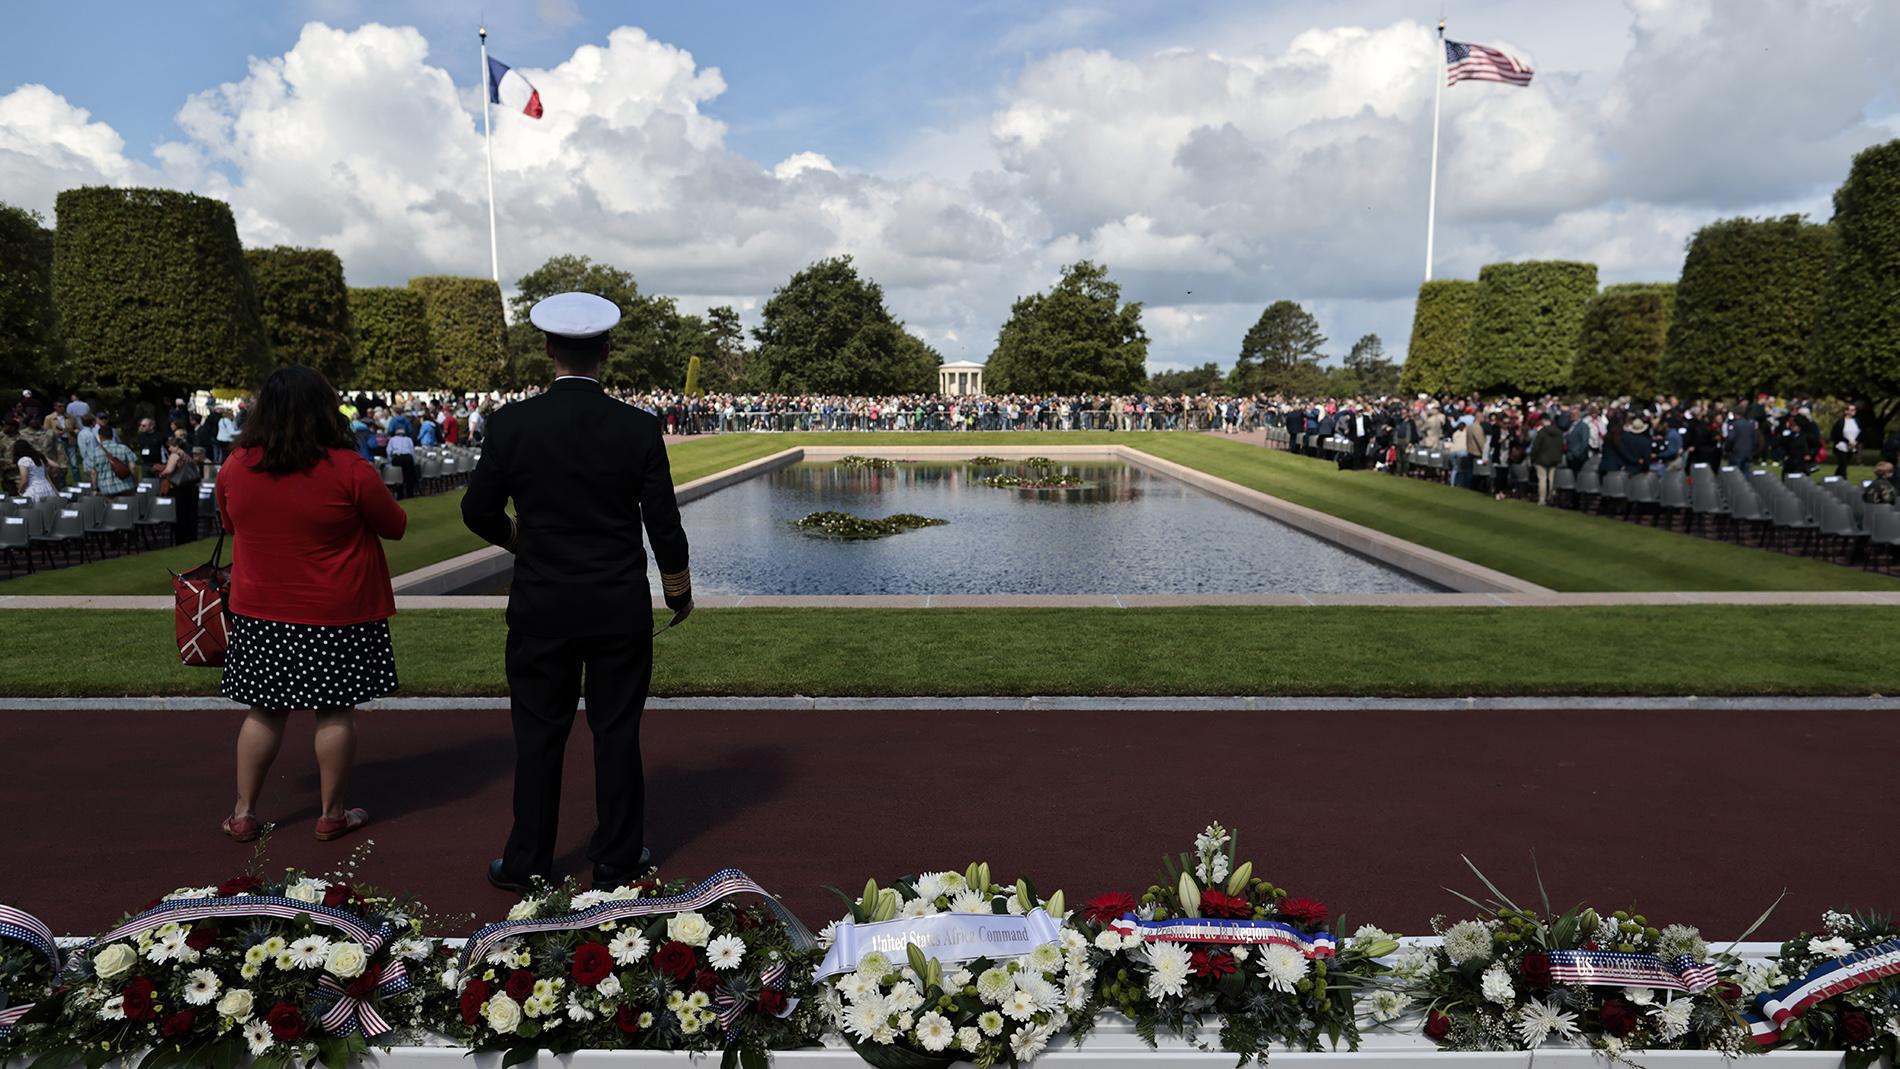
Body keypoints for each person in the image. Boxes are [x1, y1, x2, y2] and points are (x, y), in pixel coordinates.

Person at [463, 291, 692, 894]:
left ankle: (527, 860)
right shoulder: (638, 426)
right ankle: (617, 858)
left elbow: (477, 509)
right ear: (606, 352)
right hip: (616, 603)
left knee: (538, 737)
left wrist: (522, 542)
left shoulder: (513, 422)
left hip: (542, 602)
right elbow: (663, 521)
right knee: (616, 733)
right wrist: (677, 589)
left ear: (547, 349)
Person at [214, 366, 407, 844]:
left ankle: (243, 812)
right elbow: (394, 524)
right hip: (336, 610)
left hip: (261, 610)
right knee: (336, 712)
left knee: (264, 711)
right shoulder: (348, 467)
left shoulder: (237, 464)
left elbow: (230, 522)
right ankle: (332, 812)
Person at [154, 436, 202, 543]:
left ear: (176, 446)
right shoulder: (187, 455)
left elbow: (169, 470)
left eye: (170, 446)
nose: (169, 449)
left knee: (181, 515)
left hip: (179, 488)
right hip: (191, 488)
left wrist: (162, 473)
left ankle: (181, 539)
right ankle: (192, 537)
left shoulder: (175, 455)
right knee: (191, 514)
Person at [83, 423, 140, 497]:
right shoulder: (124, 448)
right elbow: (133, 467)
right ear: (112, 436)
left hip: (106, 489)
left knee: (111, 507)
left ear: (100, 437)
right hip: (126, 486)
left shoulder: (94, 453)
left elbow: (93, 472)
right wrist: (135, 482)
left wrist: (95, 488)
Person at [1529, 415, 1564, 505]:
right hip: (1555, 458)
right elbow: (1561, 446)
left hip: (1542, 458)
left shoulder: (1542, 432)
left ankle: (1542, 499)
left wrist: (1533, 458)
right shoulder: (1559, 432)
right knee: (1552, 479)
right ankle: (1550, 497)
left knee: (1542, 479)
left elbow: (1536, 447)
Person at [386, 422, 418, 499]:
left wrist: (390, 461)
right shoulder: (408, 439)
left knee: (398, 476)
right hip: (407, 457)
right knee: (409, 477)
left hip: (397, 457)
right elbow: (412, 451)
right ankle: (410, 494)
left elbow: (388, 451)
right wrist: (413, 462)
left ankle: (400, 495)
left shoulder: (392, 440)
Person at [1830, 403, 1862, 479]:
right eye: (1850, 410)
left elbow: (1860, 433)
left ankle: (1834, 479)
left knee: (1843, 465)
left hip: (1852, 446)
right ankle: (1844, 480)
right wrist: (1848, 441)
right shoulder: (1840, 422)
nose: (1852, 412)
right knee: (1843, 464)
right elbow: (1836, 435)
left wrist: (1856, 442)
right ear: (1845, 411)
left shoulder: (1856, 421)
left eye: (1853, 410)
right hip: (1841, 446)